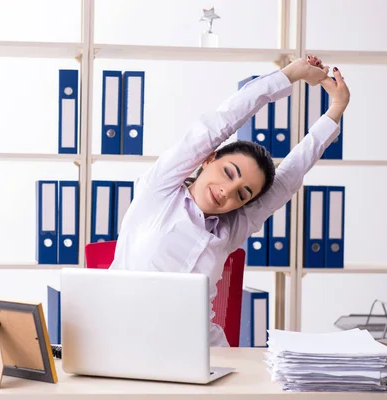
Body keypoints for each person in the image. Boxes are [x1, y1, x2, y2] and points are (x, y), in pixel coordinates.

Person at [108, 55, 350, 346]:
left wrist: (335, 110)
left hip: (202, 355)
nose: (228, 191)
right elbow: (219, 123)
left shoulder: (228, 231)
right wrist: (289, 75)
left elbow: (288, 179)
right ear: (209, 158)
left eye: (243, 193)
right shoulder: (159, 192)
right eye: (228, 173)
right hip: (124, 344)